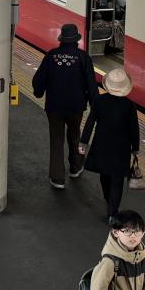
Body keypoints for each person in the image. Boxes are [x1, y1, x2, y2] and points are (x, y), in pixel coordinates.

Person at [31, 22, 99, 190]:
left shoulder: (51, 55)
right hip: (76, 106)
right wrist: (95, 105)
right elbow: (91, 84)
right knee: (75, 135)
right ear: (76, 40)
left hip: (54, 106)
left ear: (61, 39)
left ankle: (57, 178)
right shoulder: (83, 57)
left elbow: (38, 79)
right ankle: (76, 167)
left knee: (56, 139)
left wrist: (38, 92)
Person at [79, 67, 139, 220]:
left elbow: (90, 122)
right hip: (121, 148)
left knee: (104, 175)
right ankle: (113, 211)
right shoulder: (129, 105)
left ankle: (108, 200)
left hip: (102, 144)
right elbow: (134, 129)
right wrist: (135, 148)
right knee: (117, 180)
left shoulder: (99, 101)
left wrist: (83, 142)